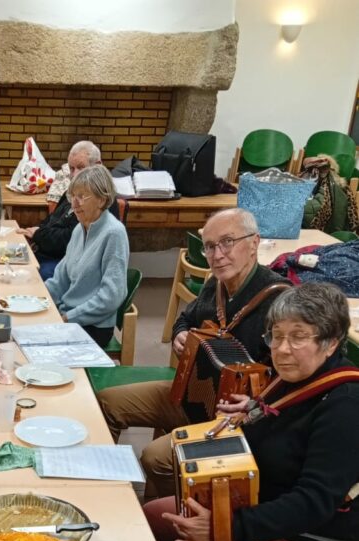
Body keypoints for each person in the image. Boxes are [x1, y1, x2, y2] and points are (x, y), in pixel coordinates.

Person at [145, 283, 359, 541]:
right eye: (276, 335)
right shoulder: (293, 376)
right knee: (150, 518)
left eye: (298, 336)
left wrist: (225, 527)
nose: (282, 349)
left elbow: (313, 503)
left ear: (331, 342)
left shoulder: (346, 406)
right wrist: (253, 410)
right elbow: (286, 425)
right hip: (262, 505)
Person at [99, 208, 285, 497]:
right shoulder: (215, 285)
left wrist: (254, 403)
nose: (217, 255)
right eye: (209, 246)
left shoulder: (279, 302)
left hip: (234, 421)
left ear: (254, 243)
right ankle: (102, 490)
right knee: (107, 403)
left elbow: (290, 376)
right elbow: (185, 319)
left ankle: (172, 516)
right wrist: (180, 334)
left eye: (227, 242)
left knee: (155, 457)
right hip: (192, 396)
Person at [44, 164, 129, 347]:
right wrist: (38, 299)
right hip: (69, 316)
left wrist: (69, 317)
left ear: (101, 200)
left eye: (82, 197)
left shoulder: (114, 233)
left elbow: (112, 296)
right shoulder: (79, 229)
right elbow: (60, 279)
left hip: (94, 326)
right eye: (72, 196)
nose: (74, 204)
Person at [17, 140, 103, 280]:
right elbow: (51, 220)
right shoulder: (71, 193)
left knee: (31, 276)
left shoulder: (98, 201)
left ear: (97, 166)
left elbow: (69, 239)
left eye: (81, 167)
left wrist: (38, 234)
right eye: (71, 169)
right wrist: (35, 234)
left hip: (70, 263)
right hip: (50, 253)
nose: (74, 175)